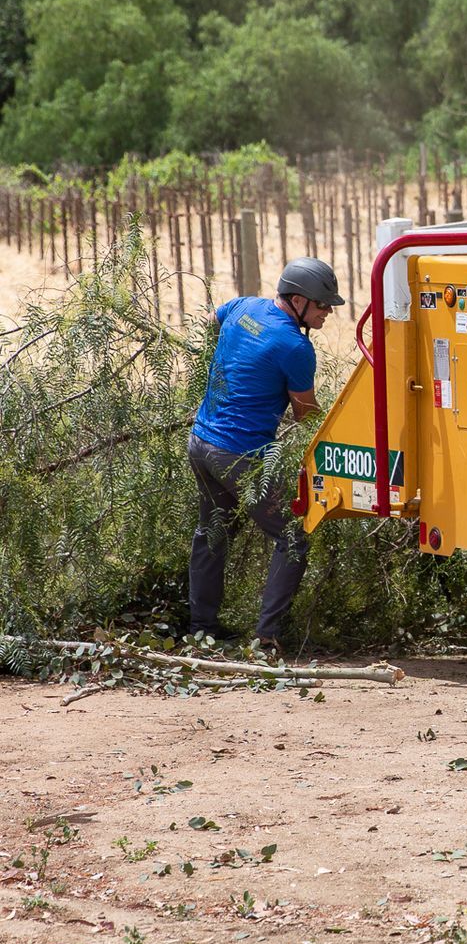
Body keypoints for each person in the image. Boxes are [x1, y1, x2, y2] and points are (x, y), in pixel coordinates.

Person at [186, 257, 345, 652]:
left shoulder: (244, 306)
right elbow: (305, 413)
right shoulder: (294, 346)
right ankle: (267, 637)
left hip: (201, 444)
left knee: (212, 534)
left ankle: (200, 630)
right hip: (238, 456)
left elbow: (211, 320)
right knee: (292, 538)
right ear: (297, 301)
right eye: (323, 305)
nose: (327, 313)